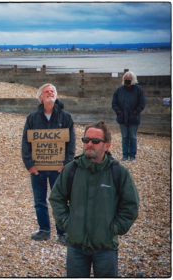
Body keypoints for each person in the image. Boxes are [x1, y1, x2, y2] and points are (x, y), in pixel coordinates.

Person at [49, 121, 139, 277]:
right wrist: (67, 224)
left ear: (107, 145)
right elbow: (57, 198)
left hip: (106, 249)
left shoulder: (118, 172)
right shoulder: (71, 169)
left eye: (95, 141)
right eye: (86, 140)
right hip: (75, 247)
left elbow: (131, 205)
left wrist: (115, 229)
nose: (89, 144)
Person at [21, 83, 75, 244]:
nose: (50, 93)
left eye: (52, 91)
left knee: (60, 200)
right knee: (39, 201)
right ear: (40, 97)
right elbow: (25, 142)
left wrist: (66, 164)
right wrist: (29, 164)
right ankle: (44, 230)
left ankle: (63, 232)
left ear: (56, 96)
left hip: (58, 168)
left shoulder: (66, 117)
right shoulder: (32, 118)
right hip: (38, 168)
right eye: (46, 92)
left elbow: (71, 144)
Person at [112, 71, 146, 161]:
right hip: (122, 118)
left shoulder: (138, 90)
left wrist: (135, 112)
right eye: (126, 80)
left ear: (133, 80)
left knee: (133, 137)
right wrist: (119, 112)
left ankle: (132, 156)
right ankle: (124, 155)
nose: (127, 81)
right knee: (124, 137)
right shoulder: (119, 90)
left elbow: (142, 103)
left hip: (134, 118)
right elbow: (114, 103)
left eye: (129, 80)